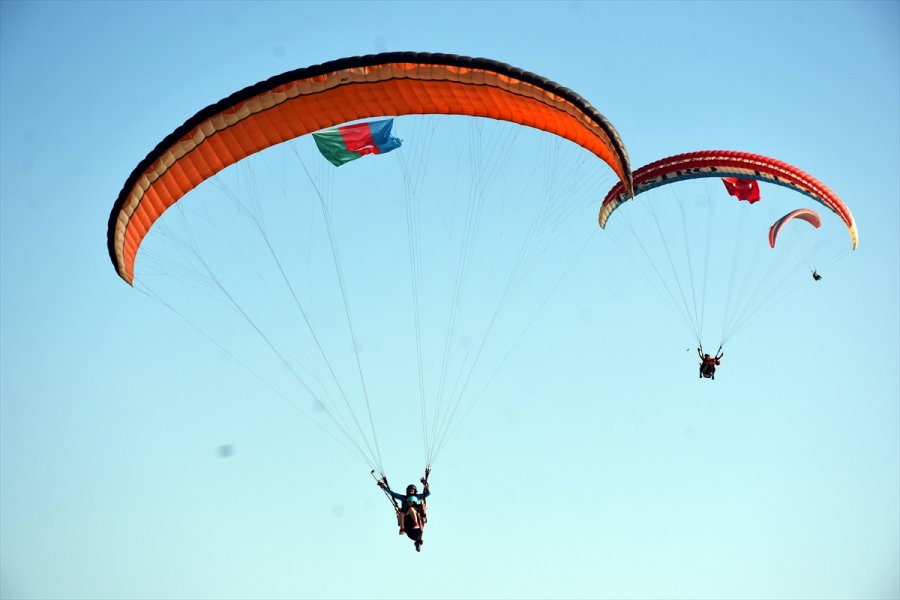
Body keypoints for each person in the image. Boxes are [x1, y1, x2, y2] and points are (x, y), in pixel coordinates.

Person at [378, 477, 430, 551]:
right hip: (407, 516)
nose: (410, 491)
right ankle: (402, 528)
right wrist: (384, 487)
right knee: (401, 513)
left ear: (415, 491)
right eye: (409, 490)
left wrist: (425, 484)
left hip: (416, 514)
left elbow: (428, 493)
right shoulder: (403, 498)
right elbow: (392, 494)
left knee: (411, 508)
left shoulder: (419, 497)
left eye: (412, 490)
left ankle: (416, 523)